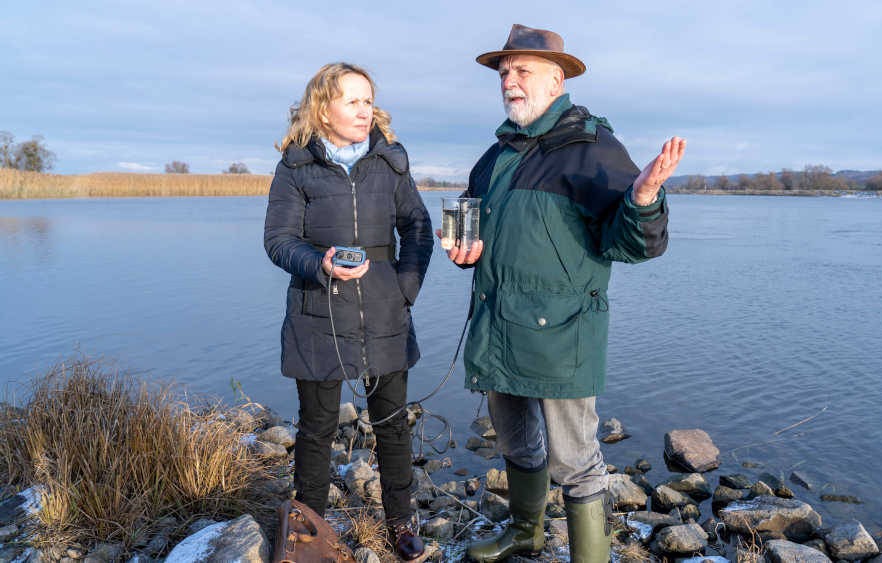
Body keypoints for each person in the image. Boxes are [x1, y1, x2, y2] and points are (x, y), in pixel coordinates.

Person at [441, 25, 686, 563]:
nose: (510, 82)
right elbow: (478, 228)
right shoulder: (497, 153)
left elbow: (634, 243)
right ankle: (526, 533)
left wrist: (644, 198)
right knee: (516, 444)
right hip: (499, 324)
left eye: (522, 71)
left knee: (575, 461)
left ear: (557, 79)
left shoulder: (591, 148)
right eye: (505, 73)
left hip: (562, 332)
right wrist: (464, 250)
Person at [264, 62, 433, 561]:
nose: (365, 111)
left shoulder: (391, 161)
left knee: (393, 423)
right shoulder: (296, 166)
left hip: (386, 313)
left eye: (368, 100)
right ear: (323, 108)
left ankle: (401, 524)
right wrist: (320, 263)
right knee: (316, 428)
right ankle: (308, 532)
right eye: (353, 101)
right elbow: (277, 241)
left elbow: (418, 229)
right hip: (317, 313)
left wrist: (405, 289)